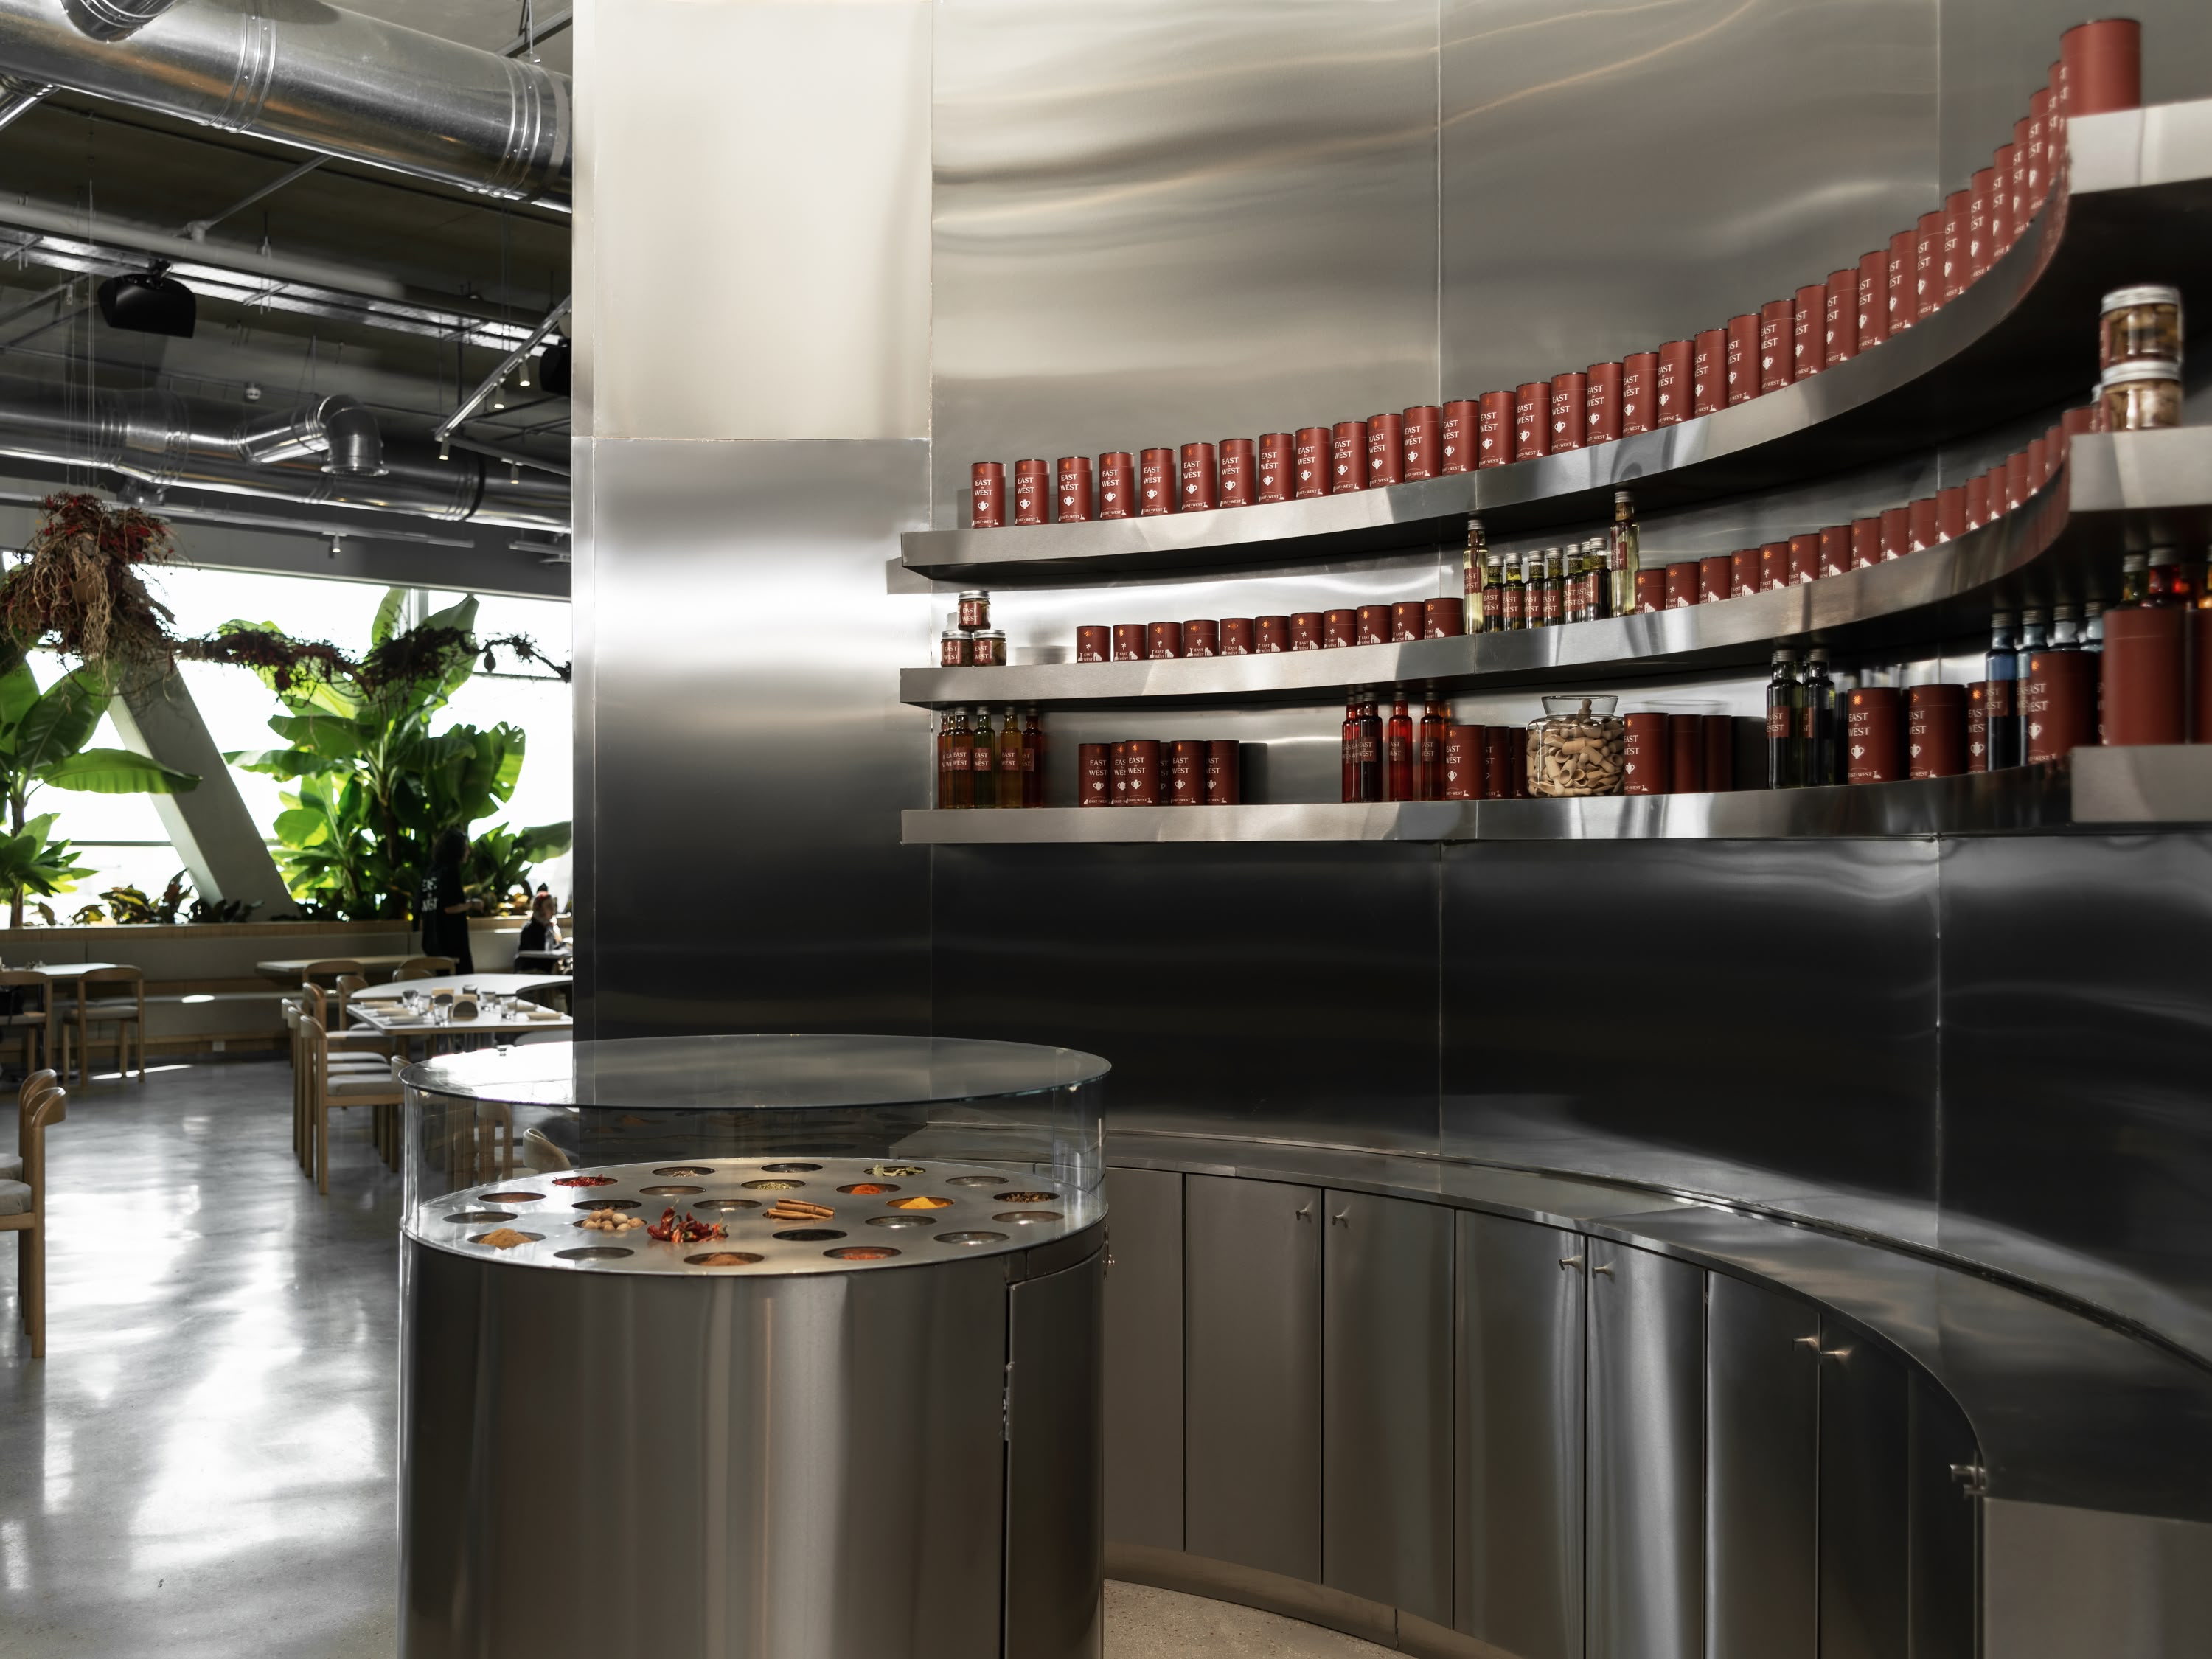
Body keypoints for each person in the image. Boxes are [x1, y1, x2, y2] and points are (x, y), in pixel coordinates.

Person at [416, 828, 482, 975]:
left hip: (432, 940)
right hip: (452, 942)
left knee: (442, 989)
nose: (469, 851)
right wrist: (472, 904)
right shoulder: (451, 871)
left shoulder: (430, 872)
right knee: (463, 986)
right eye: (466, 847)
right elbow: (450, 907)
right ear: (458, 849)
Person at [516, 889, 563, 958]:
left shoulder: (551, 927)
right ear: (539, 909)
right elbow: (541, 952)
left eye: (553, 906)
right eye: (549, 906)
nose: (553, 910)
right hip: (532, 967)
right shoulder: (530, 929)